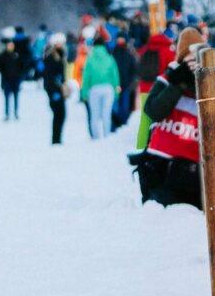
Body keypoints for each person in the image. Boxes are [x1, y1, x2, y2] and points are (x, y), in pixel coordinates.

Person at [132, 29, 207, 208]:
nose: (192, 64)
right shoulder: (169, 77)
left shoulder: (210, 83)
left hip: (193, 170)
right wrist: (179, 84)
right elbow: (153, 111)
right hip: (161, 165)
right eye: (188, 59)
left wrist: (201, 83)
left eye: (195, 59)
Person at [80, 28, 121, 139]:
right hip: (108, 89)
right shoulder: (109, 58)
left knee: (95, 115)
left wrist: (84, 93)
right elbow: (115, 75)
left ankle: (96, 138)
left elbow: (86, 77)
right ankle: (107, 135)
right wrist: (117, 90)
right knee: (106, 114)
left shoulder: (90, 59)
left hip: (94, 89)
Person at [42, 34, 69, 145]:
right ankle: (56, 139)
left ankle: (57, 138)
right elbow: (49, 76)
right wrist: (55, 89)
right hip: (54, 90)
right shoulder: (50, 57)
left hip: (58, 89)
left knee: (60, 114)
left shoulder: (60, 55)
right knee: (59, 113)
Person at [0, 28, 26, 120]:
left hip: (16, 79)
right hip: (7, 79)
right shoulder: (3, 55)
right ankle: (7, 113)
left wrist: (19, 74)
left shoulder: (17, 55)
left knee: (16, 97)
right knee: (7, 97)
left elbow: (22, 65)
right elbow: (0, 66)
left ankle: (15, 112)